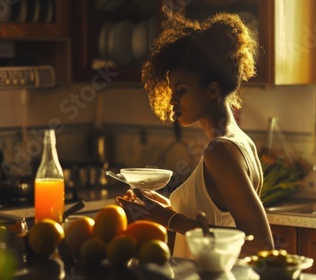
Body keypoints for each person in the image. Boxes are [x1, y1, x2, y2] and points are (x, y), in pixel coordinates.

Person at [117, 8, 274, 258]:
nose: (172, 101)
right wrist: (163, 210)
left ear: (212, 90)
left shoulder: (220, 150)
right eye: (171, 91)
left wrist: (170, 220)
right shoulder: (241, 142)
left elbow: (261, 245)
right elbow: (219, 221)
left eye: (181, 90)